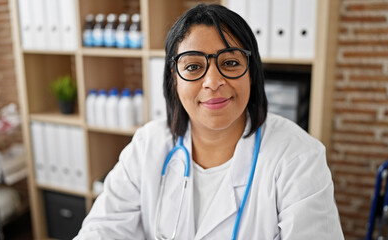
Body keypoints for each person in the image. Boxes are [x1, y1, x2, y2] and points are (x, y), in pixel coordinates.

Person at [74, 4, 344, 240]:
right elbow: (101, 230)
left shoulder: (298, 157)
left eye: (229, 62)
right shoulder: (148, 146)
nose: (213, 82)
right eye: (193, 66)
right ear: (174, 78)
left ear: (252, 72)